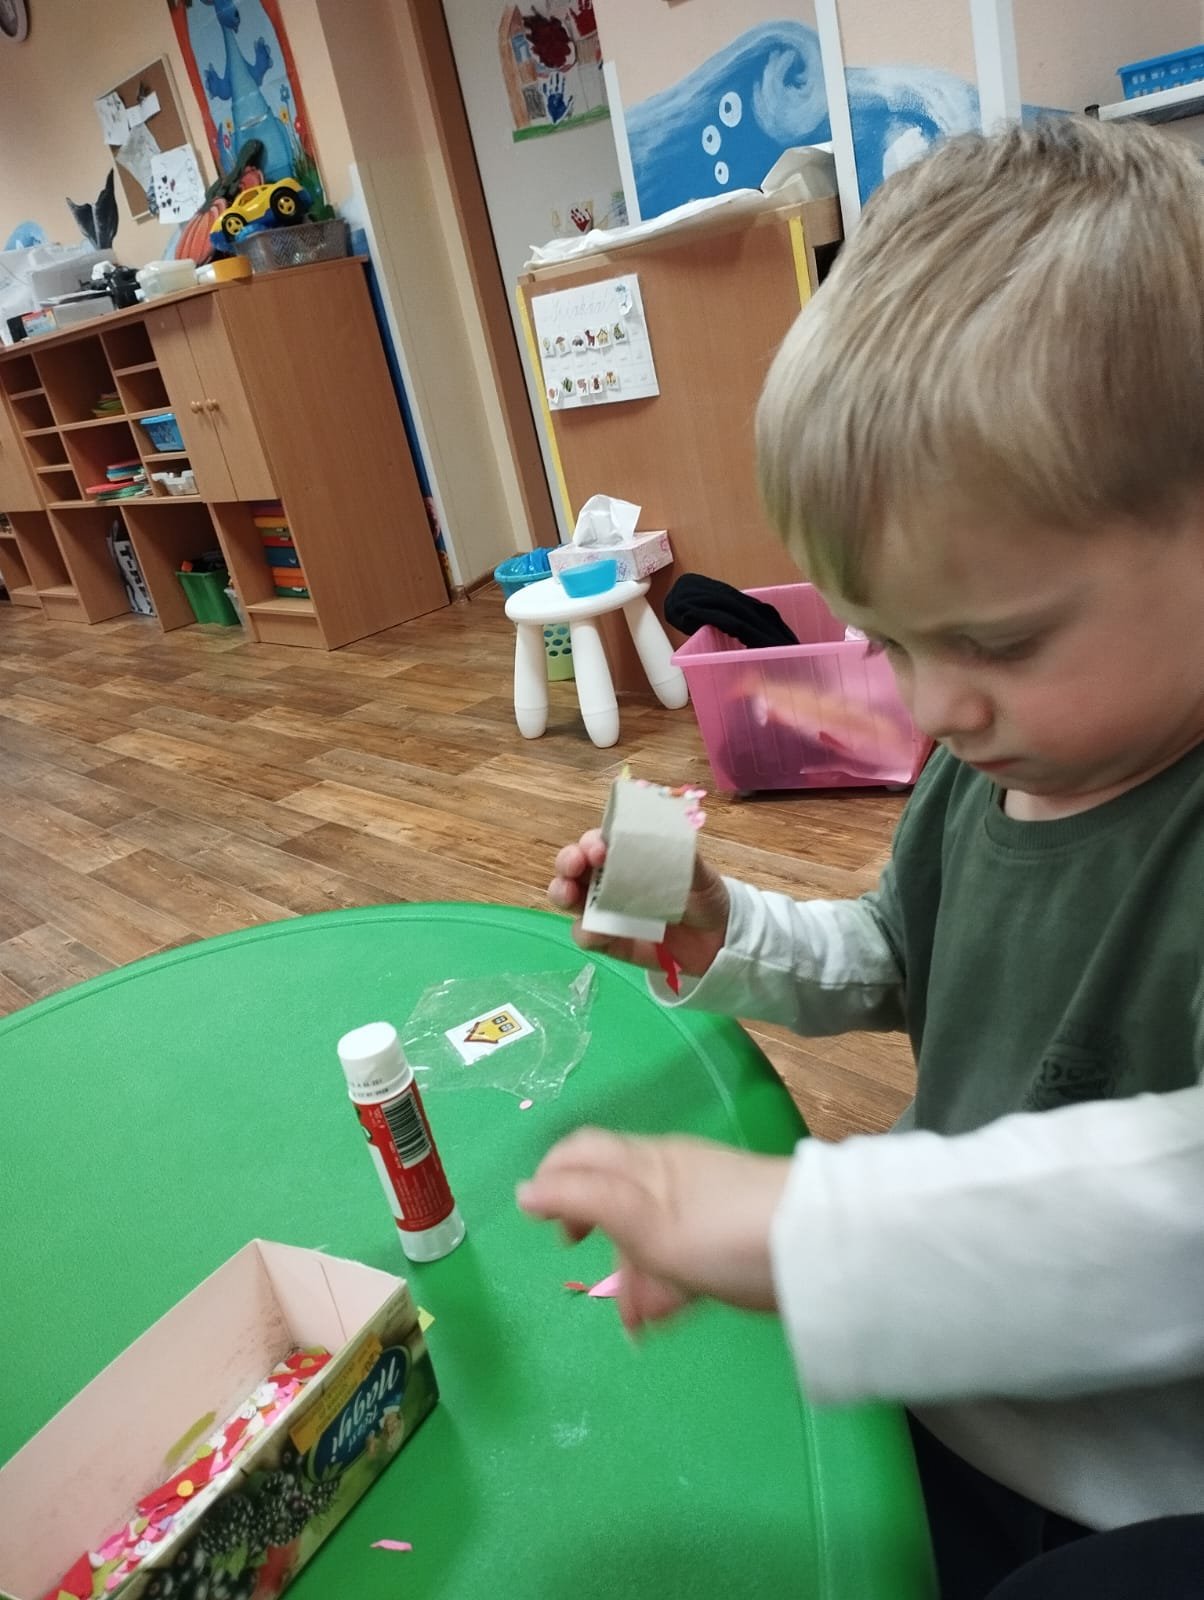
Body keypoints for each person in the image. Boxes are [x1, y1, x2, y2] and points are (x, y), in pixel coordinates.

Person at [517, 117, 1204, 1600]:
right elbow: (903, 956)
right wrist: (728, 930)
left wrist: (814, 1226)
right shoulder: (982, 766)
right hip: (950, 1382)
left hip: (1142, 1484)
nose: (933, 706)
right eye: (889, 641)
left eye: (999, 641)